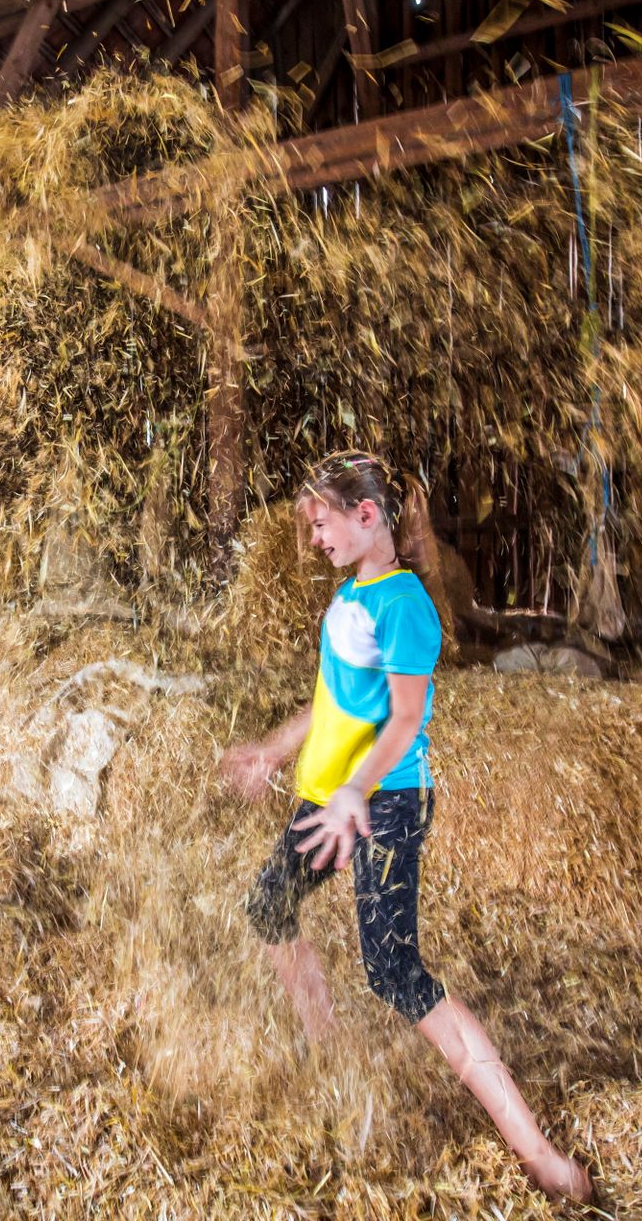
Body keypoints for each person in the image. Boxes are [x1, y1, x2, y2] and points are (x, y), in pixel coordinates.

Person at [220, 451, 595, 1205]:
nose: (315, 540)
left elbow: (405, 719)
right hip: (331, 798)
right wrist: (271, 749)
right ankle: (329, 1051)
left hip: (384, 800)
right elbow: (331, 702)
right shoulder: (349, 597)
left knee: (395, 972)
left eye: (322, 524)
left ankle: (544, 1160)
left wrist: (357, 791)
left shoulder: (406, 606)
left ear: (367, 516)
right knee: (268, 908)